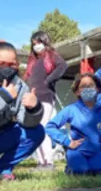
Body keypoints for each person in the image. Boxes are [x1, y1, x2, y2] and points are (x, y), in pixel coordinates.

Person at [0, 40, 45, 184]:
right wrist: (3, 98)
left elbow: (25, 122)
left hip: (0, 137)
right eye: (1, 64)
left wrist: (34, 108)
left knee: (37, 132)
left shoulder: (20, 86)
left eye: (12, 64)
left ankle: (0, 172)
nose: (7, 69)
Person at [45, 73, 101, 175]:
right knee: (80, 171)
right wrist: (67, 142)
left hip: (97, 150)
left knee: (99, 172)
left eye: (91, 85)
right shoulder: (71, 109)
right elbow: (50, 127)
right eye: (83, 86)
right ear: (78, 92)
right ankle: (71, 167)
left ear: (98, 89)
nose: (87, 88)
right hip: (78, 150)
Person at [24, 31, 68, 171]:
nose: (36, 45)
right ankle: (41, 162)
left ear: (45, 42)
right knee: (35, 129)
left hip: (45, 98)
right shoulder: (32, 61)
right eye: (34, 43)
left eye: (39, 42)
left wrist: (48, 80)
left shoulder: (51, 56)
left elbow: (63, 66)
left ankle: (48, 162)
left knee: (42, 128)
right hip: (32, 99)